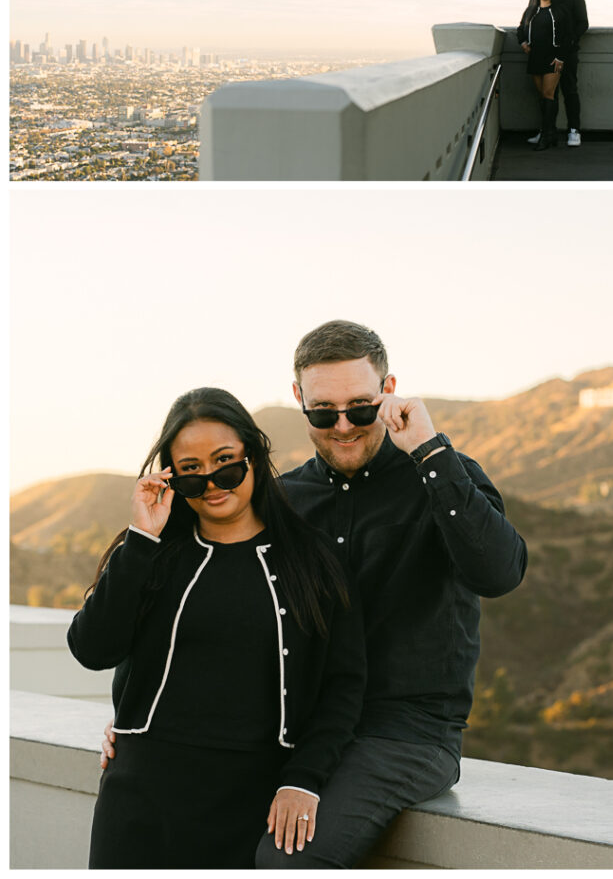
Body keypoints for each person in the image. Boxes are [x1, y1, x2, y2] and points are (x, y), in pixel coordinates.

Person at [102, 321, 528, 869]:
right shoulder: (285, 499)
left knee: (286, 860)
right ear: (300, 400)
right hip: (299, 729)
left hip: (402, 734)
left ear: (389, 390)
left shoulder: (444, 476)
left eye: (361, 407)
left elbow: (499, 574)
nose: (344, 426)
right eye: (325, 412)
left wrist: (428, 449)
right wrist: (137, 711)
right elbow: (192, 595)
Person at [68, 387, 365, 868]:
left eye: (225, 462)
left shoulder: (312, 561)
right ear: (171, 475)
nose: (212, 482)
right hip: (140, 798)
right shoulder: (152, 553)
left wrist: (304, 777)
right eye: (191, 472)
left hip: (250, 800)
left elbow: (344, 686)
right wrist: (142, 538)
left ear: (254, 454)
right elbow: (92, 649)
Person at [527, 0, 589, 147]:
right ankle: (547, 131)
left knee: (569, 90)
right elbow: (529, 16)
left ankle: (574, 130)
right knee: (546, 95)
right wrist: (525, 41)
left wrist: (567, 46)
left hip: (567, 53)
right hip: (541, 54)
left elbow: (582, 24)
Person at [517, 0, 569, 151]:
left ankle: (546, 137)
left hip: (553, 58)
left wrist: (561, 57)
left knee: (548, 93)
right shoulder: (531, 11)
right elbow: (520, 29)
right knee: (543, 96)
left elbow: (568, 36)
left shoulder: (559, 11)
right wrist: (523, 43)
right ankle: (551, 132)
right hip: (535, 57)